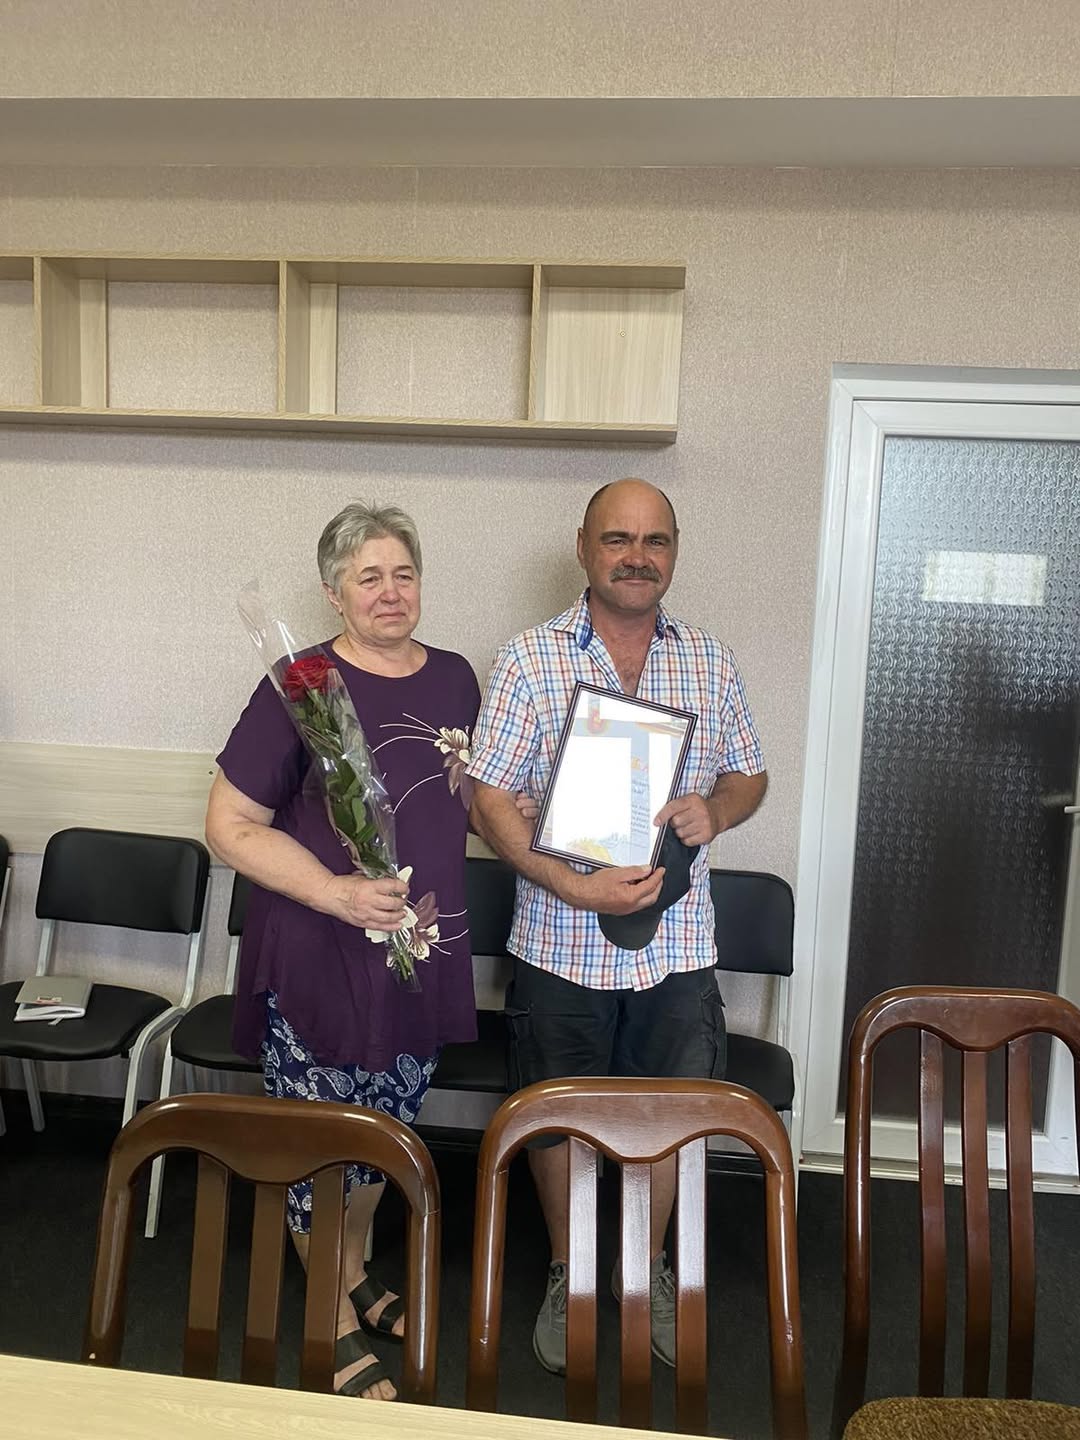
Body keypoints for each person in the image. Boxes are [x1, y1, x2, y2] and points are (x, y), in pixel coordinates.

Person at [467, 477, 768, 1375]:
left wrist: (718, 809)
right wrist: (572, 883)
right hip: (559, 942)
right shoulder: (529, 659)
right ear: (583, 546)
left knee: (668, 1116)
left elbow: (748, 772)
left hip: (677, 947)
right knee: (556, 1118)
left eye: (655, 540)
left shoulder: (710, 662)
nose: (638, 557)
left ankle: (644, 1269)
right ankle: (570, 1273)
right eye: (618, 539)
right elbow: (487, 799)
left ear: (674, 551)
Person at [206, 501, 482, 1402]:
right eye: (369, 577)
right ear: (334, 592)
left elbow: (464, 801)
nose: (390, 592)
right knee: (322, 1145)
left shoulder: (456, 678)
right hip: (321, 955)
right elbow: (228, 825)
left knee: (381, 1135)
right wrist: (337, 892)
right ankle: (328, 1321)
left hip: (419, 952)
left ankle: (354, 1271)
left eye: (404, 573)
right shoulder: (302, 685)